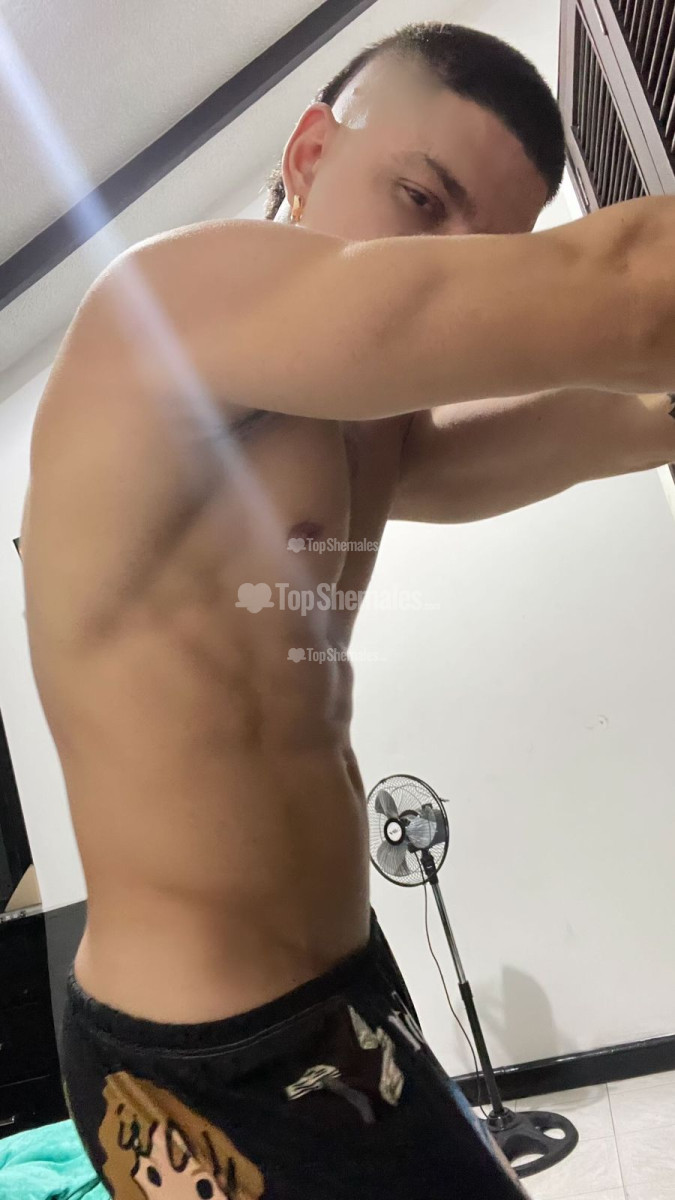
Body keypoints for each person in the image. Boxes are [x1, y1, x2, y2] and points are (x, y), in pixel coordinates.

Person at [20, 20, 675, 1199]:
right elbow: (632, 293)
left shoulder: (362, 426)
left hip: (343, 987)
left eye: (491, 251)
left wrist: (653, 424)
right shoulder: (172, 302)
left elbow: (505, 451)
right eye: (423, 201)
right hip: (203, 1059)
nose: (454, 270)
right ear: (311, 151)